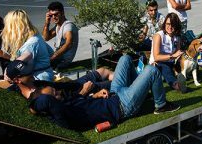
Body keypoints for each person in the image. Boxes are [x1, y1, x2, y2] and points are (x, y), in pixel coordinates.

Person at [28, 55, 181, 130]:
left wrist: (95, 95)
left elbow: (83, 103)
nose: (58, 92)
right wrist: (33, 107)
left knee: (125, 59)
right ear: (49, 102)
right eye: (54, 93)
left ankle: (144, 93)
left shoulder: (64, 103)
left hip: (114, 94)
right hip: (123, 106)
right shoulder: (60, 113)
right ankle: (161, 105)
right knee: (151, 70)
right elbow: (46, 102)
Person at [6, 59, 114, 99]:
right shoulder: (32, 97)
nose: (31, 72)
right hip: (78, 95)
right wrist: (83, 91)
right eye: (26, 73)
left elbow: (62, 86)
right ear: (17, 80)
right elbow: (65, 106)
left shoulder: (38, 83)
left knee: (103, 71)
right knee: (113, 82)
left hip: (73, 86)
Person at [1, 9, 54, 81]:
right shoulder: (36, 37)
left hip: (38, 81)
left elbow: (24, 62)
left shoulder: (31, 43)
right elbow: (51, 52)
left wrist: (9, 72)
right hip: (45, 75)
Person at [149, 13, 186, 92]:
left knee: (185, 63)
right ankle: (177, 85)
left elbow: (178, 53)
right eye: (168, 24)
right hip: (157, 63)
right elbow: (156, 57)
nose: (170, 27)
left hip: (171, 62)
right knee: (166, 69)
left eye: (173, 25)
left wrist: (182, 56)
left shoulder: (177, 37)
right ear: (165, 23)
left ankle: (184, 76)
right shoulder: (159, 35)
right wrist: (173, 56)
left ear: (176, 26)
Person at [42, 1, 79, 70]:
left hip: (63, 61)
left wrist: (52, 57)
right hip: (58, 57)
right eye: (51, 15)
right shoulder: (58, 26)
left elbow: (68, 44)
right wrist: (47, 23)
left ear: (62, 13)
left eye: (56, 14)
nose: (53, 17)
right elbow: (46, 38)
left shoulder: (68, 27)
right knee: (39, 42)